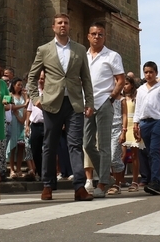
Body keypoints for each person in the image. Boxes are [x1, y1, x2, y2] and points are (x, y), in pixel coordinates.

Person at [27, 13, 95, 202]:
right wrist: (36, 98)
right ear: (53, 27)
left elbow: (87, 79)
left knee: (75, 144)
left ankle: (79, 186)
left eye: (66, 23)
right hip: (51, 103)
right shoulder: (44, 49)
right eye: (59, 23)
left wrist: (89, 102)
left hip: (74, 104)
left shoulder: (80, 49)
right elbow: (32, 77)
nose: (63, 25)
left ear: (69, 26)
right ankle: (48, 185)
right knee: (49, 145)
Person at [83, 21, 125, 199]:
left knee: (105, 146)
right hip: (87, 105)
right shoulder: (83, 56)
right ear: (88, 36)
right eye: (94, 34)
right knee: (87, 144)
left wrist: (111, 100)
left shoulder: (112, 56)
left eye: (100, 34)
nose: (97, 37)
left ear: (104, 36)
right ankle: (107, 177)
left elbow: (121, 80)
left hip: (104, 103)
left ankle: (101, 183)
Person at [133, 62, 160, 195]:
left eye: (151, 72)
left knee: (155, 151)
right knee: (148, 152)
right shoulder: (141, 89)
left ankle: (155, 181)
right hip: (144, 123)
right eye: (146, 72)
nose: (148, 75)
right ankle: (153, 178)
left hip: (157, 122)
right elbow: (138, 107)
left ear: (156, 73)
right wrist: (135, 123)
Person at [120, 78, 143, 192]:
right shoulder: (119, 97)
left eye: (127, 83)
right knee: (122, 155)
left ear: (132, 85)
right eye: (123, 84)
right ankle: (120, 179)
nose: (124, 86)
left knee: (134, 155)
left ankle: (135, 181)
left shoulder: (136, 97)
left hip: (134, 125)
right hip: (123, 126)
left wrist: (137, 126)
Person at [6, 78, 28, 179]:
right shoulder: (10, 95)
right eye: (18, 85)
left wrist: (23, 119)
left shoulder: (23, 96)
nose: (20, 87)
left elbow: (27, 106)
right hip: (14, 122)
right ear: (14, 85)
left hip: (21, 121)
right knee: (13, 145)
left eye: (21, 85)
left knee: (21, 145)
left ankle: (19, 168)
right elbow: (12, 107)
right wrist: (23, 105)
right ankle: (11, 168)